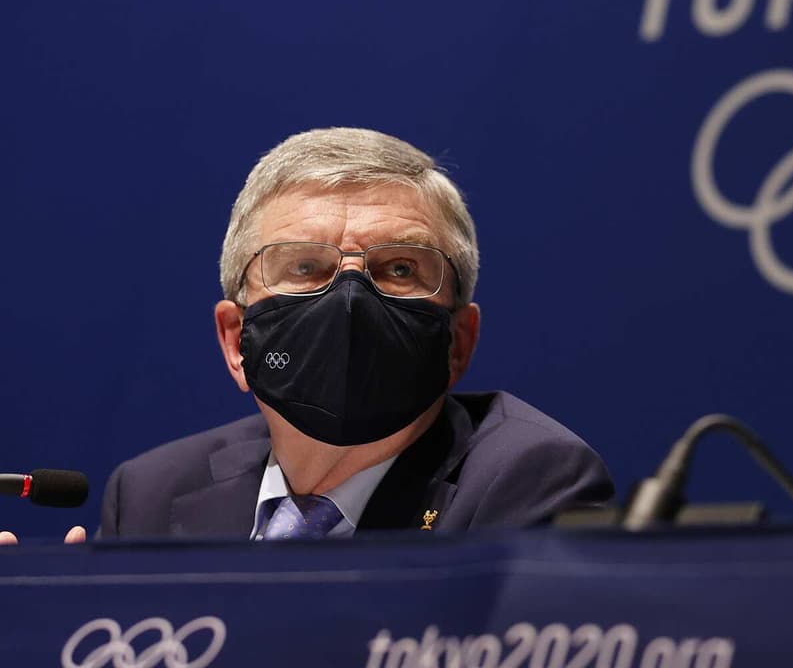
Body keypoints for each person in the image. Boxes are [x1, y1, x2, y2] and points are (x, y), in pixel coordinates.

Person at [0, 127, 612, 544]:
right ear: (234, 340)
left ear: (459, 341)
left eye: (399, 269)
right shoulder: (151, 495)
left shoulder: (527, 481)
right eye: (304, 267)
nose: (350, 299)